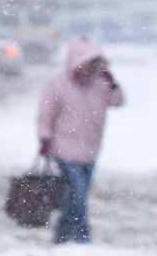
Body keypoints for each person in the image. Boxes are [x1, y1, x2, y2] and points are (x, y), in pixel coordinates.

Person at [36, 36, 125, 244]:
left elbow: (118, 102)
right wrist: (44, 138)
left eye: (93, 63)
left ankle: (60, 236)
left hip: (91, 150)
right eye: (86, 63)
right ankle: (83, 238)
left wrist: (113, 84)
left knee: (75, 197)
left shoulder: (100, 84)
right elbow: (46, 114)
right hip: (64, 149)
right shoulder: (57, 84)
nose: (89, 68)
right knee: (77, 194)